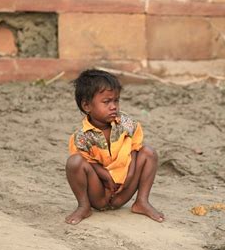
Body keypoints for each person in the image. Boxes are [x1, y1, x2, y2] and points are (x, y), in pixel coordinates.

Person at [65, 69, 164, 225]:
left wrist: (130, 172)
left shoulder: (125, 123)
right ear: (86, 105)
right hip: (98, 193)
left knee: (149, 152)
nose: (113, 107)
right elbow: (86, 162)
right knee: (74, 162)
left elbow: (135, 148)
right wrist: (105, 175)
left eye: (116, 101)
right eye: (106, 102)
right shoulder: (82, 136)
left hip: (123, 190)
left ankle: (141, 202)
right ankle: (84, 206)